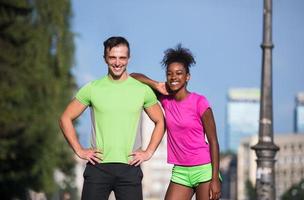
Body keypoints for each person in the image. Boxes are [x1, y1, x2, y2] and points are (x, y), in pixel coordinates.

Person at [59, 36, 165, 200]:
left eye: (122, 57)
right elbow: (65, 118)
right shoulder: (92, 89)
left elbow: (160, 121)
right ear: (105, 59)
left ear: (128, 59)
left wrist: (149, 152)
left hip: (130, 169)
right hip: (98, 168)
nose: (117, 63)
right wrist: (79, 150)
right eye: (112, 57)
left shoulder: (142, 90)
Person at [130, 44, 221, 200]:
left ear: (187, 77)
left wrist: (214, 179)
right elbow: (133, 77)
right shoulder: (165, 99)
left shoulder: (200, 102)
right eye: (169, 73)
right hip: (180, 171)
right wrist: (155, 84)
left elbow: (213, 141)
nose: (174, 77)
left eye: (179, 73)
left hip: (204, 169)